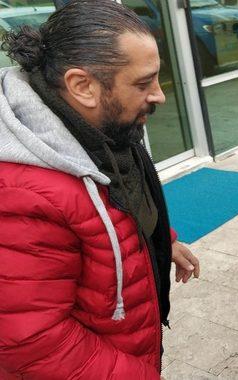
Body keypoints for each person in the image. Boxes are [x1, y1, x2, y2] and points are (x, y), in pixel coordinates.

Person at [0, 1, 200, 378]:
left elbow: (119, 198)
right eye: (143, 83)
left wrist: (161, 241)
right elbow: (33, 342)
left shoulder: (97, 124)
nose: (159, 95)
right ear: (82, 86)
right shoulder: (23, 193)